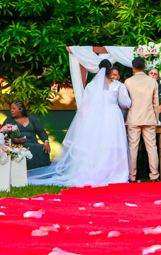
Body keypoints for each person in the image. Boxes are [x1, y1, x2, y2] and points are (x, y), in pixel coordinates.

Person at [28, 58, 129, 186]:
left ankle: (96, 170)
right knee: (113, 143)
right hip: (113, 115)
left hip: (96, 117)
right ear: (111, 70)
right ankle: (112, 172)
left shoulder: (92, 86)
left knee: (97, 143)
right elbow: (125, 103)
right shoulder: (119, 85)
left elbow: (85, 106)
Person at [124, 57, 161, 182]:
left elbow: (125, 102)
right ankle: (154, 175)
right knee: (152, 147)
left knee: (132, 148)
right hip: (149, 117)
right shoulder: (152, 82)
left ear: (133, 68)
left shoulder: (128, 82)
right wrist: (156, 119)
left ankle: (132, 176)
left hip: (134, 118)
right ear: (144, 68)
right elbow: (156, 103)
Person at [6, 99, 51, 169]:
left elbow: (41, 131)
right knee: (31, 147)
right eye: (10, 109)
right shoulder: (9, 120)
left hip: (33, 142)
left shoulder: (32, 119)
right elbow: (4, 134)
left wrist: (46, 141)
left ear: (21, 109)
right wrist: (16, 140)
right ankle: (30, 172)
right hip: (18, 145)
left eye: (14, 108)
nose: (11, 110)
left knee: (43, 148)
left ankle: (41, 172)